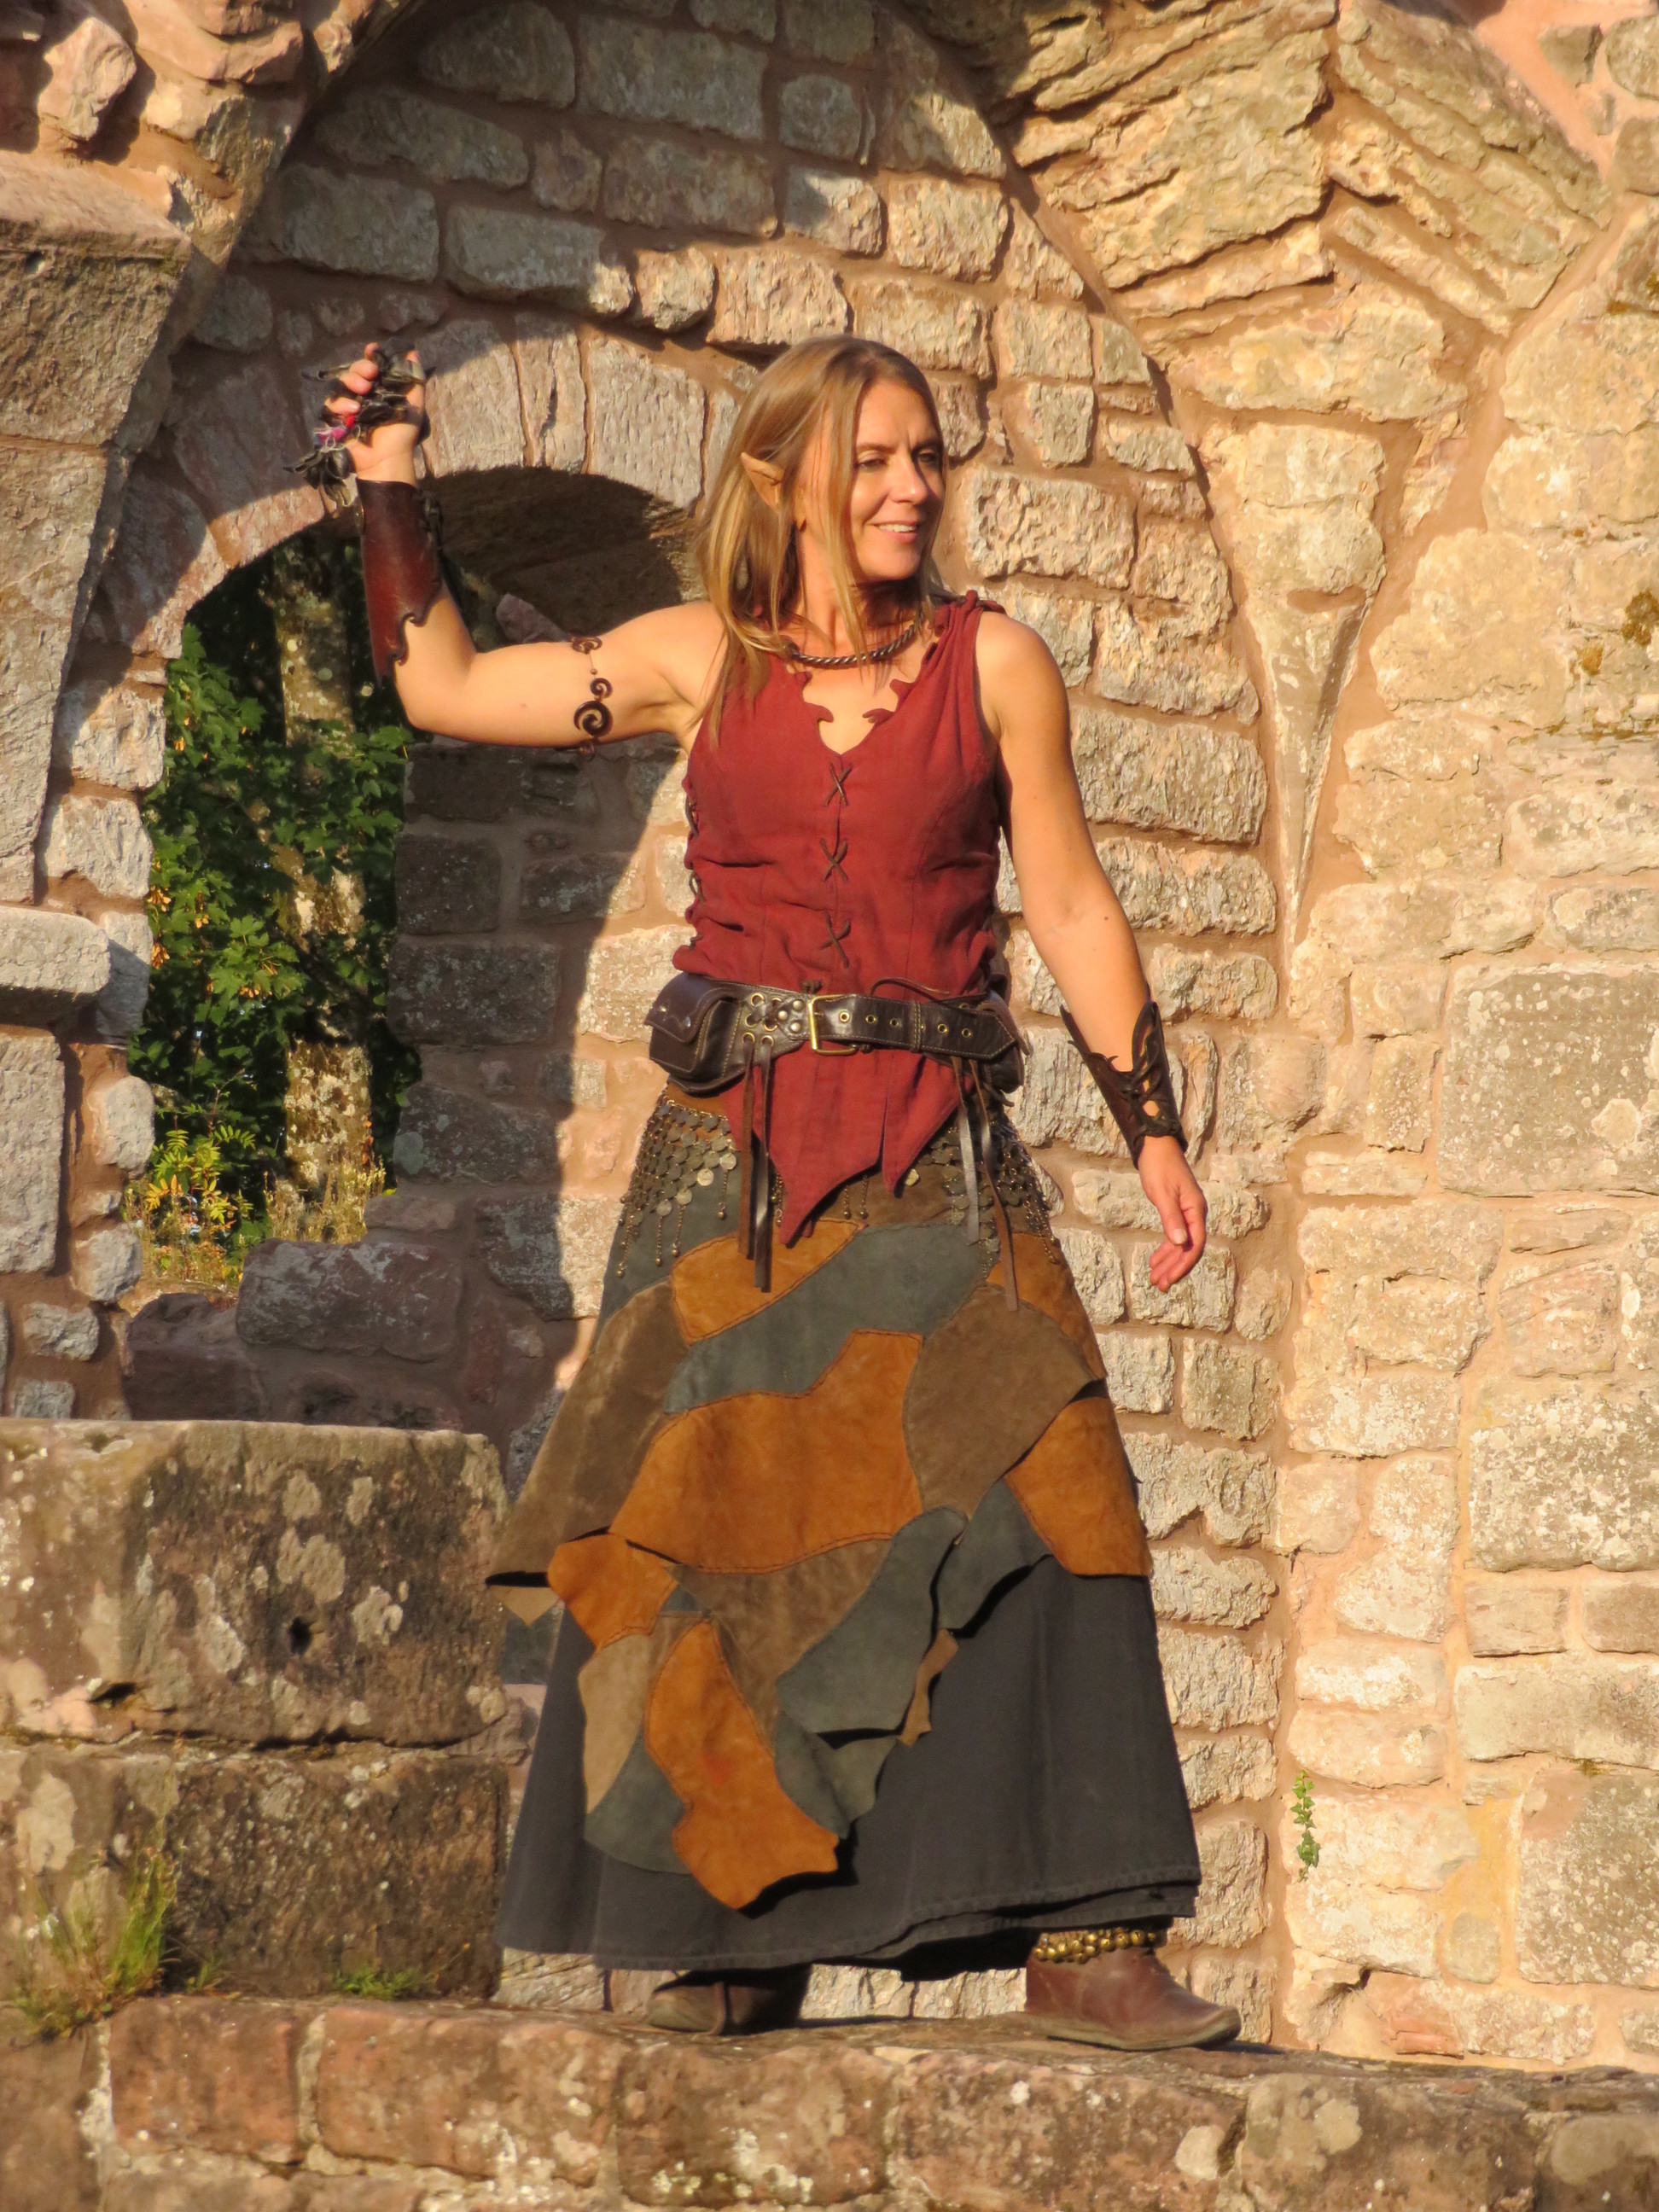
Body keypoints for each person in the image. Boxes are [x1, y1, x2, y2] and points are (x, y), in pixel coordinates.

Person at [319, 332, 1241, 2051]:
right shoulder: (698, 657)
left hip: (939, 1148)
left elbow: (1068, 900)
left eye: (926, 458)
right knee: (711, 1527)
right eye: (872, 460)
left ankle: (1090, 1942)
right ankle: (727, 1944)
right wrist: (387, 482)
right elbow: (445, 688)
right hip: (728, 1164)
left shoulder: (995, 665)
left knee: (1062, 1500)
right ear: (783, 480)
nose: (909, 488)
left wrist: (1157, 1132)